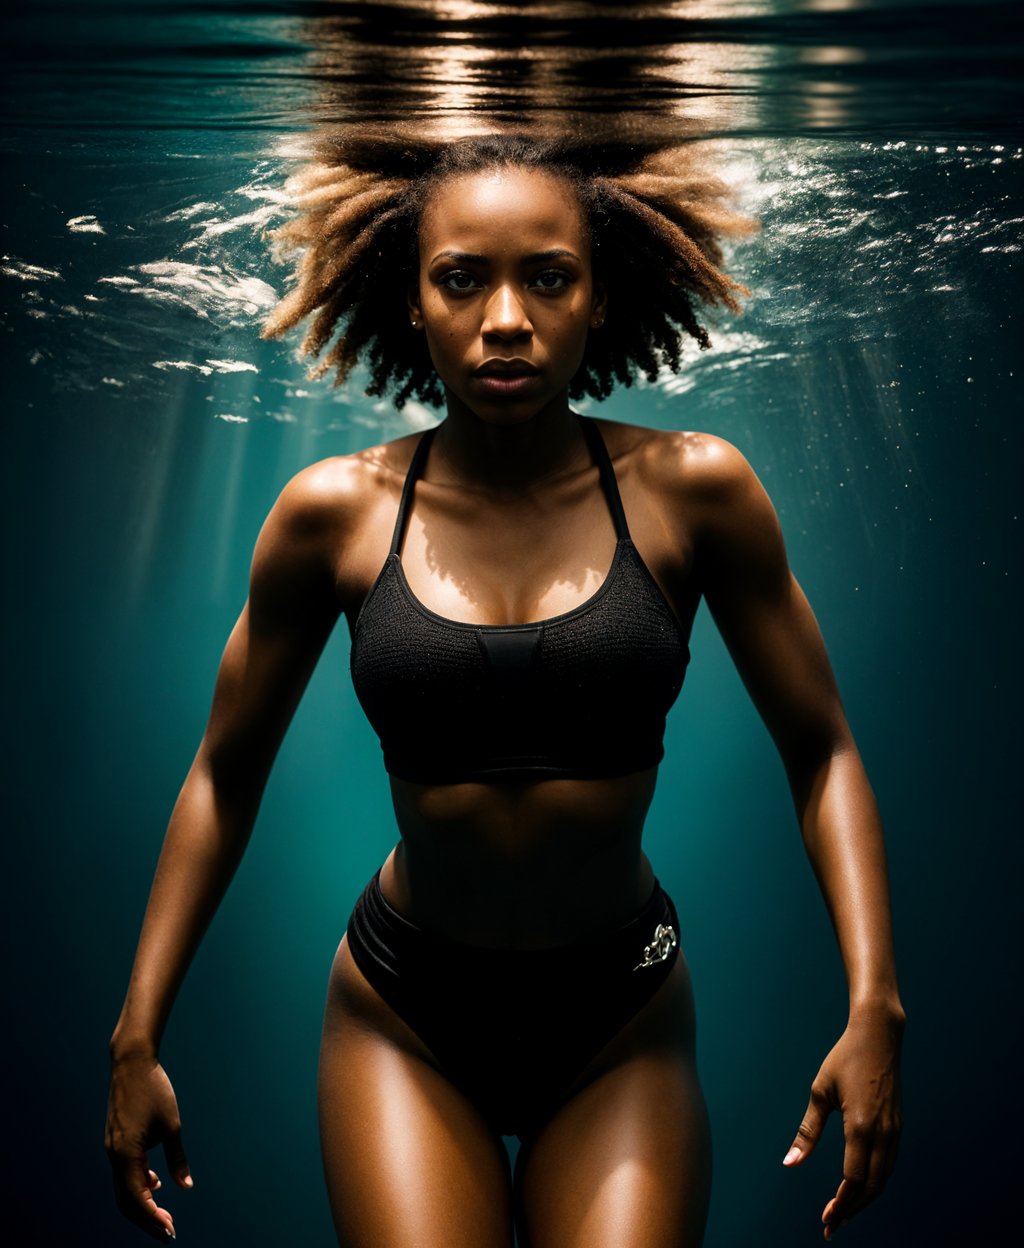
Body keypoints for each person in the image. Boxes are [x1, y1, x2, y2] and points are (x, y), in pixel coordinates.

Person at [106, 134, 905, 1247]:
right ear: (413, 299)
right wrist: (135, 1033)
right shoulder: (330, 514)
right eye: (462, 278)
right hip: (404, 1012)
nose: (506, 320)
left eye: (547, 275)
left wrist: (876, 1005)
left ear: (600, 293)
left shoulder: (696, 492)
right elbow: (224, 774)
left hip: (621, 1007)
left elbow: (821, 749)